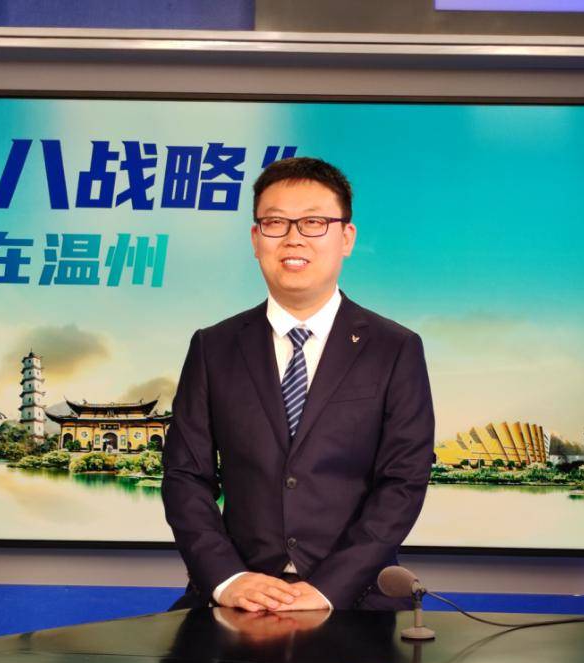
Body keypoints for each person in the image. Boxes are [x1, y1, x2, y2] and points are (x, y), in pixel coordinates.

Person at [161, 157, 435, 612]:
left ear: (346, 237)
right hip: (239, 596)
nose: (293, 238)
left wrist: (328, 587)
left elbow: (403, 481)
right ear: (255, 239)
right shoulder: (213, 347)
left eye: (313, 222)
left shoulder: (395, 348)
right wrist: (228, 579)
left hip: (355, 600)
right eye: (275, 223)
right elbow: (185, 476)